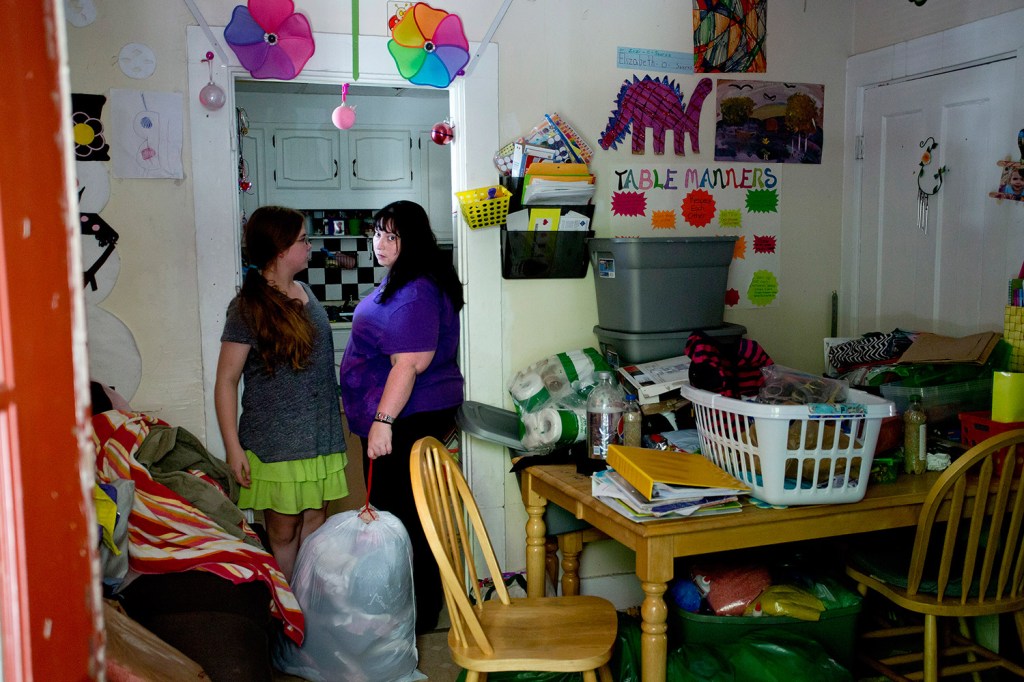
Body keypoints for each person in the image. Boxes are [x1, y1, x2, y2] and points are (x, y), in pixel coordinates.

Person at [339, 200, 464, 635]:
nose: (381, 242)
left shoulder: (416, 291)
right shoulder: (407, 280)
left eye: (392, 235)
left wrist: (382, 421)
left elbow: (408, 363)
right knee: (403, 517)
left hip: (404, 418)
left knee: (403, 520)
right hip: (403, 415)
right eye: (378, 233)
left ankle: (414, 615)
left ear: (410, 240)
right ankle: (409, 611)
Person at [215, 205, 348, 581]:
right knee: (283, 532)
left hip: (320, 438)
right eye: (303, 240)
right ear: (279, 250)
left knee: (317, 525)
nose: (309, 246)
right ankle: (288, 613)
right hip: (277, 446)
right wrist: (232, 447)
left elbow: (316, 367)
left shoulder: (305, 292)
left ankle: (310, 607)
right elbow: (226, 381)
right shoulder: (247, 308)